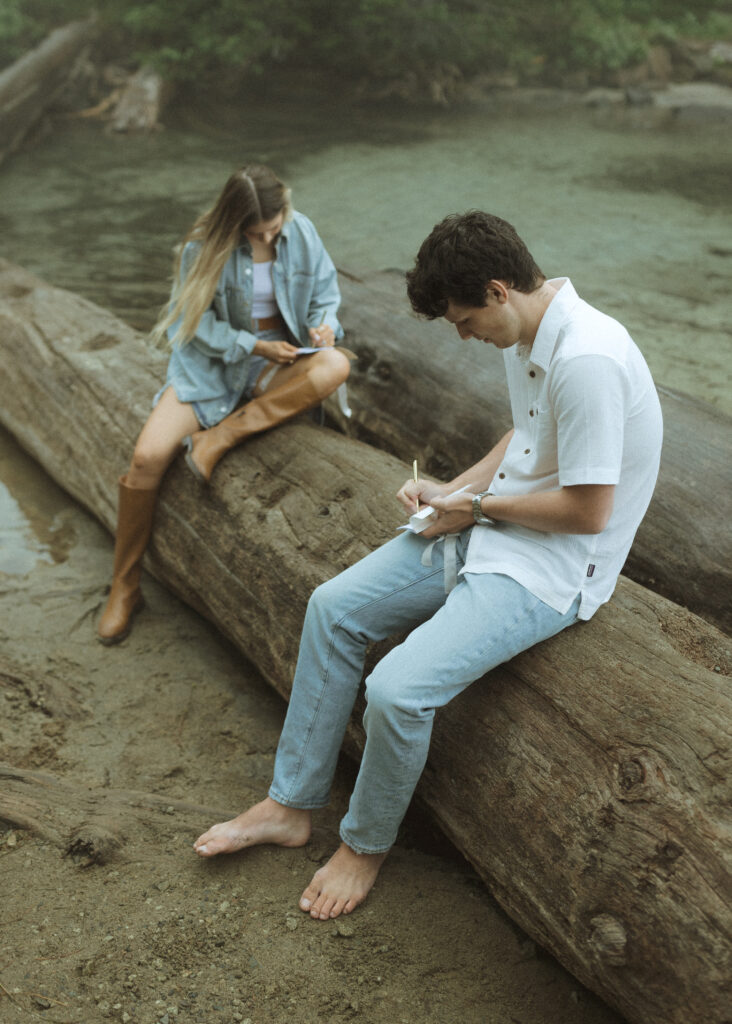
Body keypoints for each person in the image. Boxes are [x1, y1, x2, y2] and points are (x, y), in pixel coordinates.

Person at [193, 210, 663, 921]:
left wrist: (477, 512)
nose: (463, 334)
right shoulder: (532, 329)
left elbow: (589, 513)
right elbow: (527, 433)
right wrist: (458, 491)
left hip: (557, 567)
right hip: (498, 520)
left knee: (398, 690)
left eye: (464, 319)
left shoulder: (588, 358)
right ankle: (289, 805)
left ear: (500, 290)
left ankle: (364, 847)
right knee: (333, 608)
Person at [97, 163, 351, 645]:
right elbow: (188, 326)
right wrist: (253, 345)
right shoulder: (201, 246)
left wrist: (325, 327)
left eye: (273, 228)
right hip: (214, 367)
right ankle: (124, 586)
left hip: (281, 364)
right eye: (255, 232)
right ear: (233, 222)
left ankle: (219, 437)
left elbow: (325, 297)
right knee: (146, 458)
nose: (267, 237)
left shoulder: (303, 232)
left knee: (335, 365)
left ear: (286, 208)